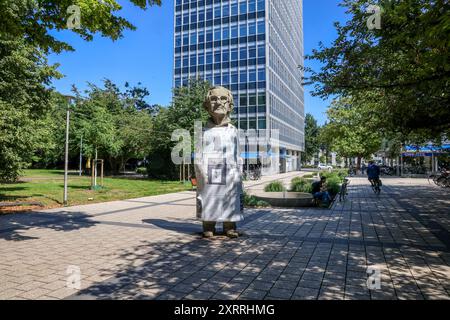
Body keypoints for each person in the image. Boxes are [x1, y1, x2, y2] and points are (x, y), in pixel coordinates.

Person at [194, 86, 244, 239]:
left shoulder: (233, 130)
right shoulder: (201, 130)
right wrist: (200, 171)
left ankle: (230, 226)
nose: (219, 102)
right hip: (209, 173)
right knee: (209, 197)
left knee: (230, 197)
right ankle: (208, 225)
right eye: (214, 99)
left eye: (223, 99)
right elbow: (197, 154)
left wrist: (239, 171)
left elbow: (238, 153)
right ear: (207, 104)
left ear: (230, 105)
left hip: (230, 172)